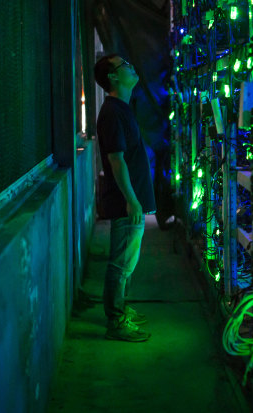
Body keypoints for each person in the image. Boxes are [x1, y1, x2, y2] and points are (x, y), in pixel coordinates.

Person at [94, 54, 156, 342]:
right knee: (120, 264)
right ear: (114, 77)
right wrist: (130, 199)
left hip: (131, 199)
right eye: (125, 65)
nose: (131, 66)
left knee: (126, 263)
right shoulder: (112, 112)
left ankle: (120, 310)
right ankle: (115, 321)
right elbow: (116, 160)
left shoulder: (121, 108)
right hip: (124, 202)